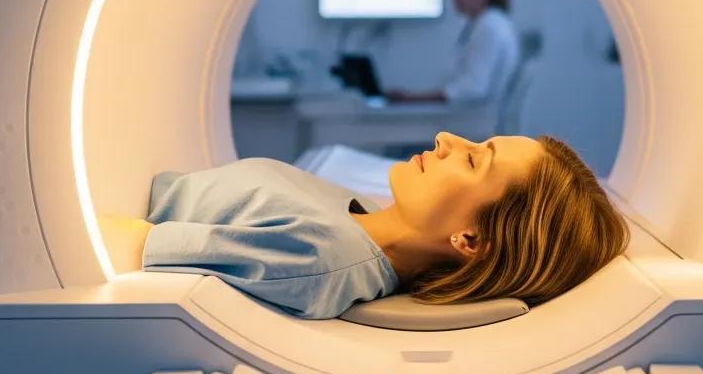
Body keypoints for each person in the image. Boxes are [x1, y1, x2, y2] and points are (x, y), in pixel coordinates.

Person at [100, 130, 629, 320]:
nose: (446, 138)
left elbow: (127, 247)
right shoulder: (355, 215)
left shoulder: (319, 256)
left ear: (470, 240)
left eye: (472, 160)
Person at [386, 0, 520, 106]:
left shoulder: (489, 27)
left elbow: (472, 88)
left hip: (476, 120)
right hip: (474, 116)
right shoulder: (485, 23)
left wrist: (412, 98)